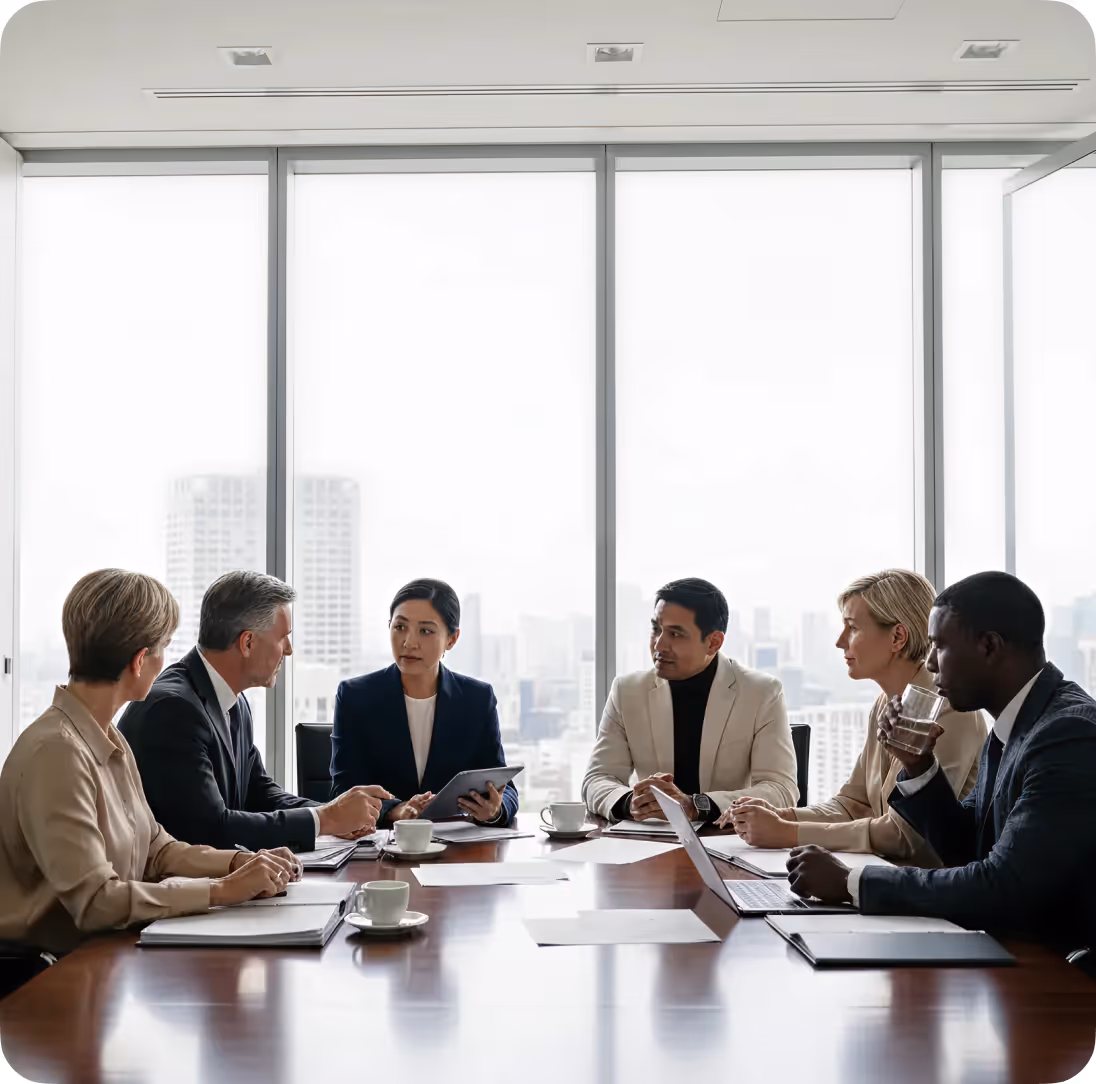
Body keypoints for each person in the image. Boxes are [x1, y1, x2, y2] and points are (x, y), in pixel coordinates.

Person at [787, 571, 1096, 952]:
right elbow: (969, 847)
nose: (930, 663)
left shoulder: (1066, 734)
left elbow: (1002, 886)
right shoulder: (1016, 724)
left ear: (989, 647)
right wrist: (919, 767)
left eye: (939, 646)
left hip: (1061, 974)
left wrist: (852, 883)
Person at [0, 570, 301, 955]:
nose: (167, 662)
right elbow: (95, 902)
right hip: (50, 977)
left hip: (107, 960)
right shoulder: (56, 753)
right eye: (165, 647)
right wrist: (221, 891)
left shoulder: (111, 739)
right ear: (141, 660)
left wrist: (241, 862)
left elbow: (157, 850)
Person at [724, 570, 987, 862]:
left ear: (898, 637)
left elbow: (906, 836)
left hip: (925, 893)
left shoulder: (946, 708)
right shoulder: (885, 704)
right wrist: (781, 815)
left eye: (852, 628)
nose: (840, 641)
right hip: (884, 874)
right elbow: (852, 804)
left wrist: (787, 832)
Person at [119, 571, 390, 851]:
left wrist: (334, 814)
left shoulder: (231, 698)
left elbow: (259, 792)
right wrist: (324, 819)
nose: (289, 650)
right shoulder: (173, 710)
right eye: (283, 637)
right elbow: (208, 829)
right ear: (247, 643)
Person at [582, 577, 798, 824]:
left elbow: (782, 791)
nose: (659, 645)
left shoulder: (761, 693)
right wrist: (630, 802)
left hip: (727, 840)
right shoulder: (627, 691)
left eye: (676, 634)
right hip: (649, 840)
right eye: (656, 629)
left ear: (713, 642)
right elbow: (597, 779)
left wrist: (696, 806)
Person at [331, 578, 519, 826]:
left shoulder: (476, 699)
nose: (409, 642)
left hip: (455, 852)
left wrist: (494, 810)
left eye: (426, 631)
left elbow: (506, 789)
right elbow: (343, 792)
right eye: (400, 627)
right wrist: (396, 810)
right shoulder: (356, 697)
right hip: (383, 849)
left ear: (451, 639)